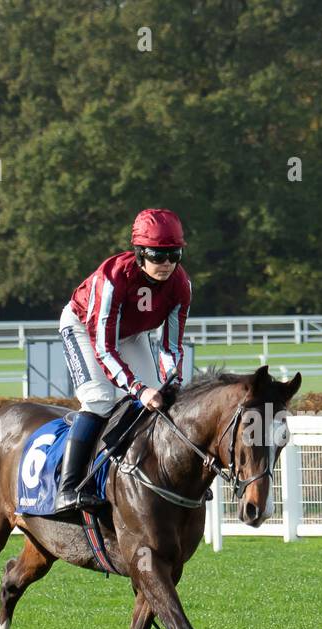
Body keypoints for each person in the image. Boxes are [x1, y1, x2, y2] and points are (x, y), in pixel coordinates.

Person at [52, 208, 191, 515]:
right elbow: (103, 348)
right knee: (100, 399)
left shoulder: (181, 284)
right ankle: (69, 488)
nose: (167, 264)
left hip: (131, 334)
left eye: (174, 255)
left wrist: (172, 382)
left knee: (160, 402)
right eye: (158, 255)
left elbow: (171, 347)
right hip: (84, 329)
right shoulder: (112, 278)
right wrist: (139, 388)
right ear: (140, 253)